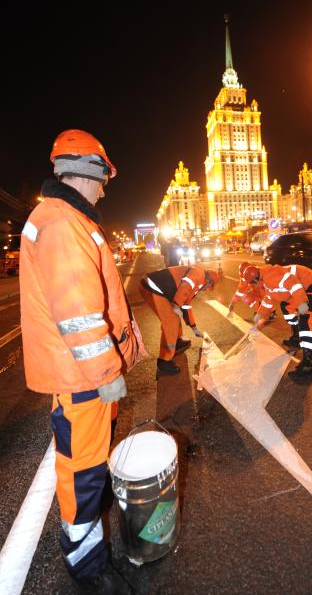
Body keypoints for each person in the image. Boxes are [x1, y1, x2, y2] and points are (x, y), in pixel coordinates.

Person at [19, 129, 146, 594]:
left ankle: (86, 533)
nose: (105, 187)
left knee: (87, 464)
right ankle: (87, 565)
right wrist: (107, 373)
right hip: (82, 380)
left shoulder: (62, 219)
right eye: (103, 177)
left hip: (80, 377)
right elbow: (78, 312)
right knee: (84, 472)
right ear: (89, 171)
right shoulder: (62, 224)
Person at [243, 263, 312, 384]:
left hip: (309, 283)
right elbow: (268, 300)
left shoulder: (270, 276)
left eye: (252, 284)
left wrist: (301, 302)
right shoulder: (265, 282)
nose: (254, 286)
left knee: (306, 319)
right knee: (285, 306)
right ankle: (297, 337)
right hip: (299, 286)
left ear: (256, 279)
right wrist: (260, 314)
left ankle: (308, 364)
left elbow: (292, 282)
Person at [140, 265, 219, 379]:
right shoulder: (199, 274)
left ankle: (176, 343)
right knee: (171, 321)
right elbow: (185, 286)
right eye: (209, 287)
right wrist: (177, 304)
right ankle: (164, 362)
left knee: (175, 316)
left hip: (154, 287)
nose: (207, 290)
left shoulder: (197, 283)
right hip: (152, 287)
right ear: (209, 281)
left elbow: (186, 306)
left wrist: (194, 328)